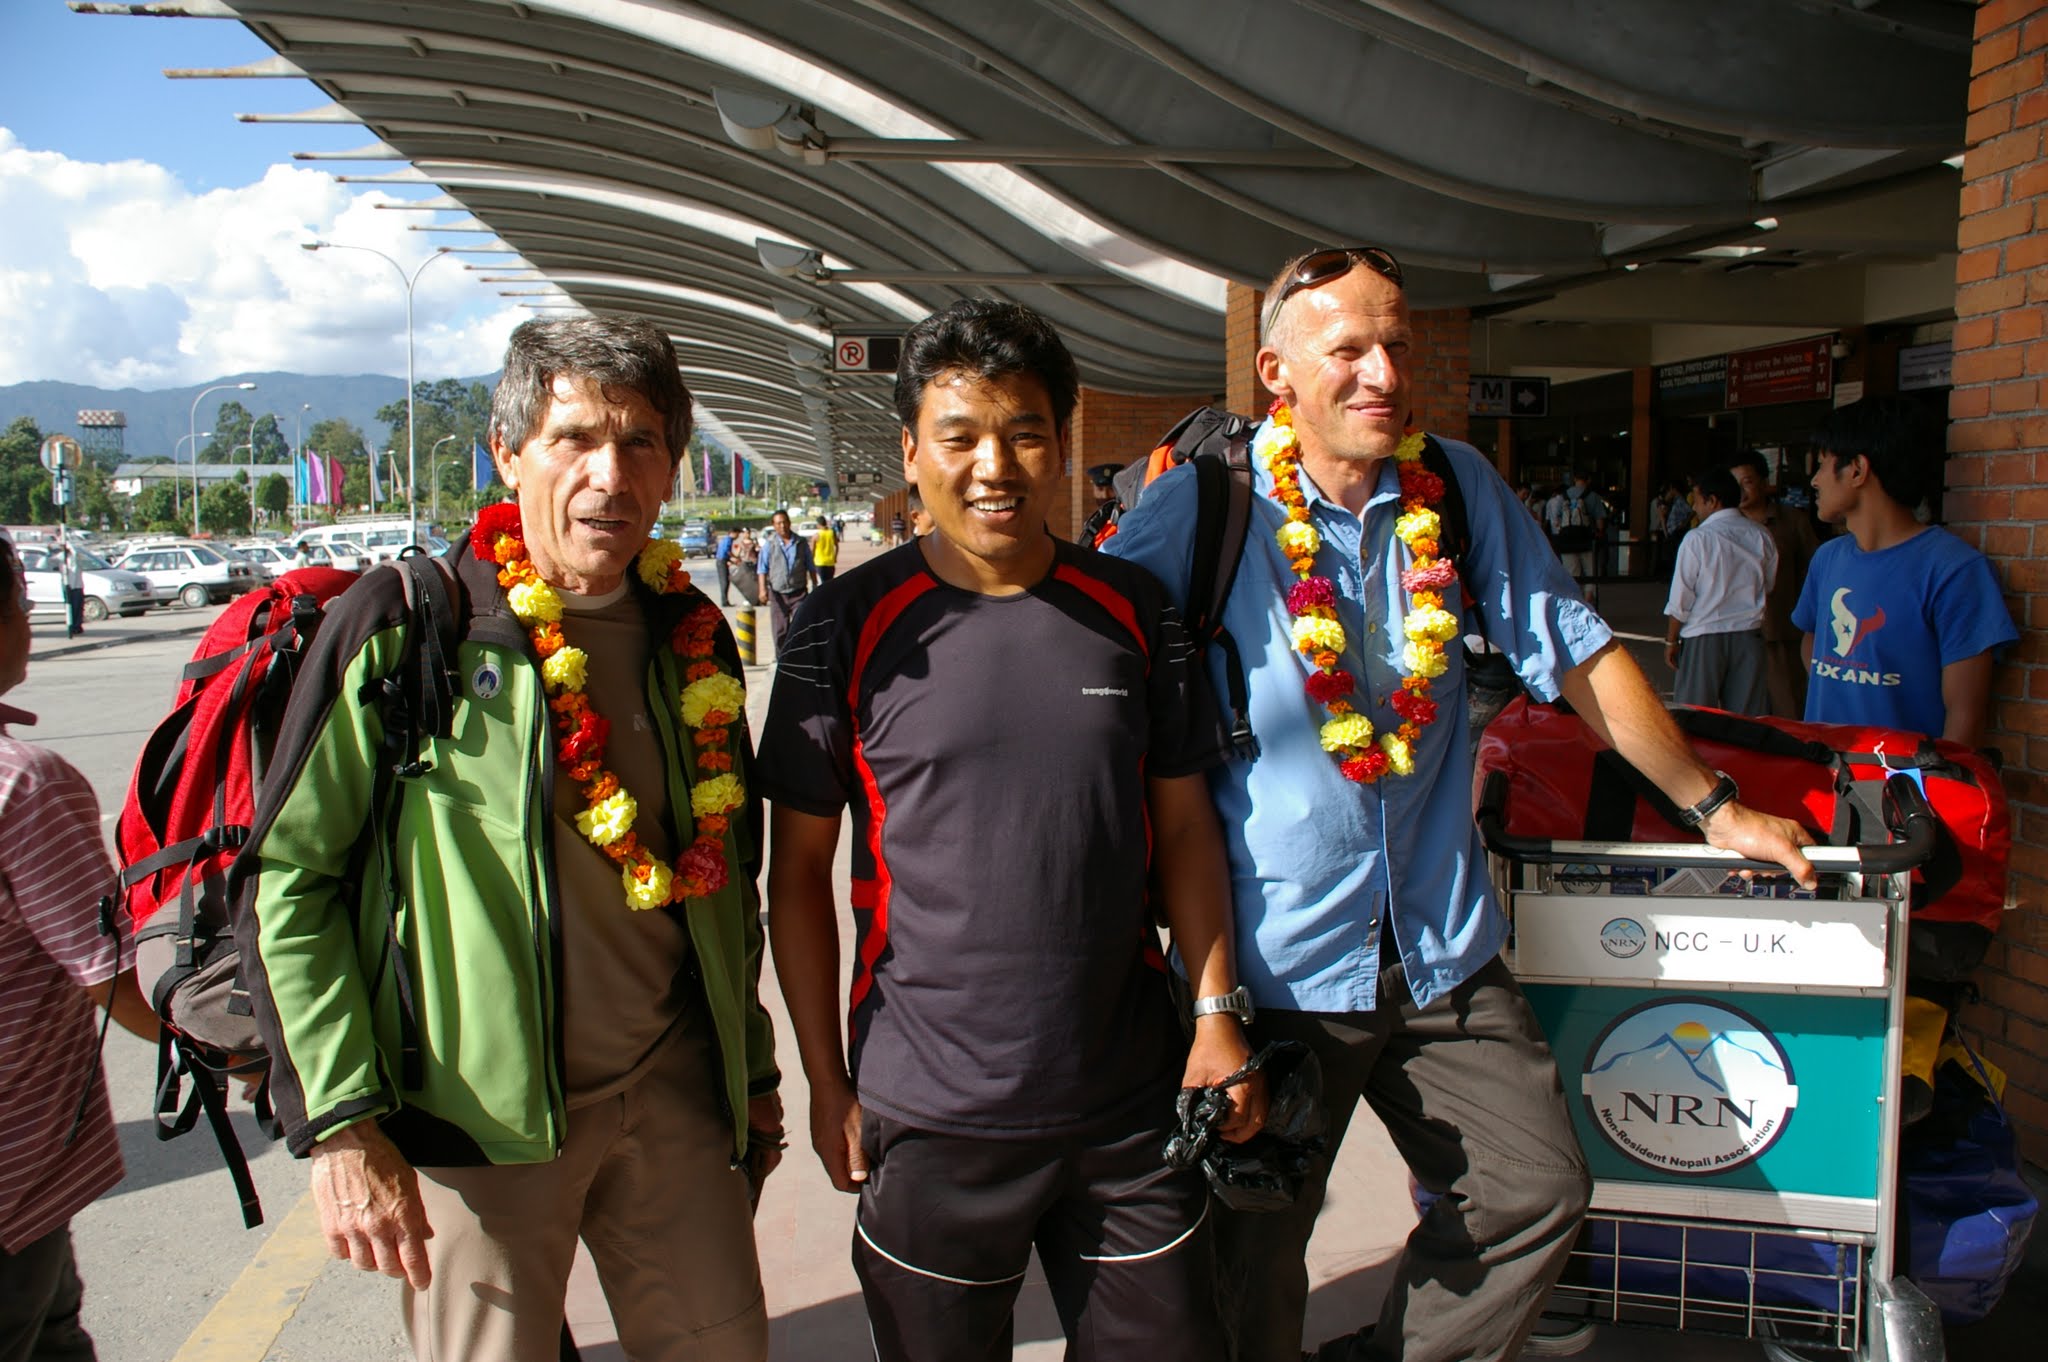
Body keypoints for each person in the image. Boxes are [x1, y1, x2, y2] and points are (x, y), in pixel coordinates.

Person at [1104, 245, 1816, 1362]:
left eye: (1396, 344)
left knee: (1532, 1192)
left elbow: (1575, 653)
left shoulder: (1457, 488)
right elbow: (1092, 673)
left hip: (1440, 948)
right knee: (1248, 1277)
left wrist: (1713, 806)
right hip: (1274, 966)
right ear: (1275, 372)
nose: (1380, 371)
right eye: (1347, 349)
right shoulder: (1200, 512)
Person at [241, 314, 782, 1362]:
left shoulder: (693, 634)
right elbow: (289, 879)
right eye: (572, 438)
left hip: (670, 1100)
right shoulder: (414, 625)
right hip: (474, 1128)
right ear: (506, 453)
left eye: (639, 443)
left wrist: (749, 1080)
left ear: (672, 468)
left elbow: (728, 887)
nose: (607, 476)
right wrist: (342, 1125)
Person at [758, 299, 1262, 1362]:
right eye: (960, 436)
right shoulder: (839, 628)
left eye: (1025, 432)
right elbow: (796, 876)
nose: (995, 465)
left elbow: (1182, 833)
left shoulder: (1133, 612)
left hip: (1128, 1104)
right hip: (930, 1111)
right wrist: (825, 1079)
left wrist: (1214, 1017)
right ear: (909, 452)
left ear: (1062, 442)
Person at [0, 535, 159, 1362]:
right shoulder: (26, 783)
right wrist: (254, 1065)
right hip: (15, 1175)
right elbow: (109, 976)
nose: (30, 621)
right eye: (22, 604)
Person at [1792, 398, 2016, 748]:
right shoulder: (1827, 558)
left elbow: (1965, 714)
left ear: (1857, 470)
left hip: (1903, 789)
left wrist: (1938, 793)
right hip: (1825, 772)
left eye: (1822, 464)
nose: (1815, 480)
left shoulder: (1954, 570)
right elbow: (1811, 635)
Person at [1663, 468, 1776, 714]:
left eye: (1697, 500)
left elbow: (1681, 599)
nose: (1695, 508)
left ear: (1712, 501)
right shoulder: (1761, 535)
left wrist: (1671, 640)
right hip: (1748, 636)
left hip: (1704, 636)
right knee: (1746, 720)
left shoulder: (1698, 538)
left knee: (1694, 716)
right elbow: (1767, 585)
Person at [1729, 451, 1822, 718]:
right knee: (1741, 713)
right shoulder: (1724, 526)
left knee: (1787, 707)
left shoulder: (1792, 521)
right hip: (1737, 633)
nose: (1740, 491)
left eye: (1747, 481)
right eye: (1734, 483)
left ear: (1763, 481)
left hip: (1781, 631)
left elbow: (1814, 571)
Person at [755, 508, 816, 656]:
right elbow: (762, 569)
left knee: (799, 627)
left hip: (799, 592)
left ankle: (798, 657)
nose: (782, 526)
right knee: (780, 630)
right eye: (778, 523)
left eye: (784, 522)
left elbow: (810, 565)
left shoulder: (801, 543)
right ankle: (782, 659)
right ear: (774, 525)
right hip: (777, 593)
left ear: (789, 523)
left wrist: (815, 585)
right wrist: (762, 590)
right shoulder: (769, 544)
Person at [1544, 470, 1606, 581]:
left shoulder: (1562, 496)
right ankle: (1589, 594)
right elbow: (1599, 520)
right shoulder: (1594, 496)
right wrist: (1599, 532)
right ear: (1589, 480)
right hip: (1586, 538)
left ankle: (1574, 596)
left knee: (1571, 572)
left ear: (1575, 479)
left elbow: (1556, 520)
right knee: (1591, 572)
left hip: (1567, 539)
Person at [57, 535, 84, 638]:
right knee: (69, 607)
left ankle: (77, 626)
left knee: (77, 607)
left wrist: (68, 544)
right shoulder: (61, 557)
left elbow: (75, 552)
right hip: (67, 585)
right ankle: (72, 626)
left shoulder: (74, 557)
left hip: (76, 585)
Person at [810, 514, 839, 583]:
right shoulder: (832, 533)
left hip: (820, 562)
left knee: (823, 582)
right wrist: (835, 557)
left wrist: (811, 562)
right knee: (830, 582)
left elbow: (812, 550)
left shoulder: (816, 536)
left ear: (818, 524)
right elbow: (837, 546)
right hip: (830, 562)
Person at [714, 527, 736, 605]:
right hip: (721, 561)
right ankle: (724, 601)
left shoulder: (725, 539)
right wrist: (735, 558)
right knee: (724, 582)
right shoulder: (729, 540)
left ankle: (725, 600)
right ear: (733, 533)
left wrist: (731, 560)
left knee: (725, 581)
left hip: (722, 561)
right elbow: (727, 551)